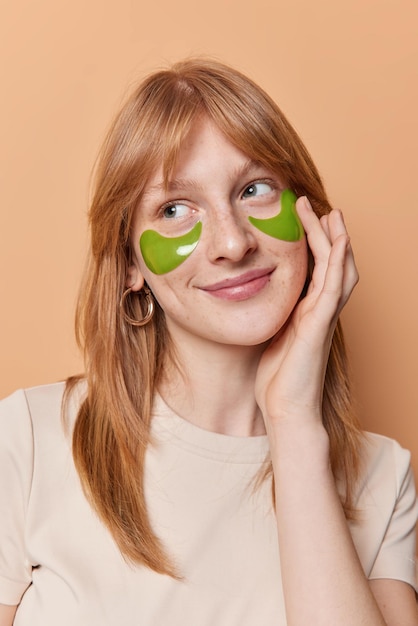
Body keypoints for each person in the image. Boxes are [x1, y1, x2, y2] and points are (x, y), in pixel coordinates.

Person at [0, 58, 417, 626]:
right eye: (174, 209)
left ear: (312, 218)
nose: (231, 241)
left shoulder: (383, 480)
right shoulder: (28, 440)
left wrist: (293, 420)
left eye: (254, 189)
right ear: (128, 264)